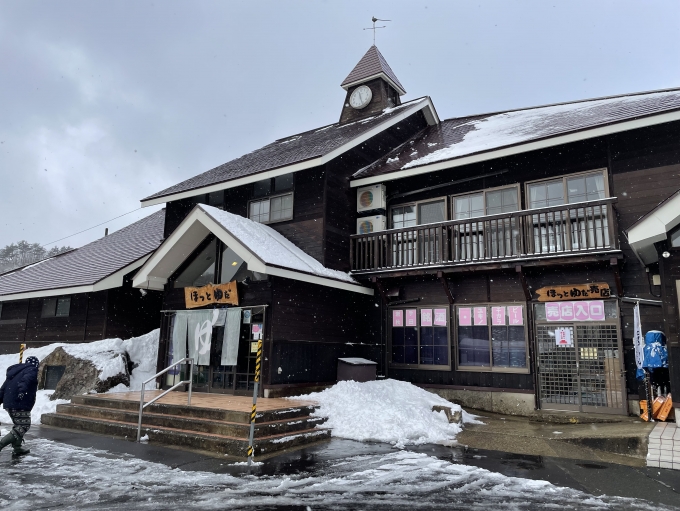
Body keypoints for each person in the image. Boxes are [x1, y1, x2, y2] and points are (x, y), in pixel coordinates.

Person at [0, 356, 40, 456]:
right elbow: (26, 380)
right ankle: (1, 444)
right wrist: (22, 391)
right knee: (23, 425)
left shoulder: (15, 372)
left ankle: (17, 448)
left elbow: (3, 388)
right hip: (19, 402)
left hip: (10, 403)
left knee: (18, 425)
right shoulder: (31, 369)